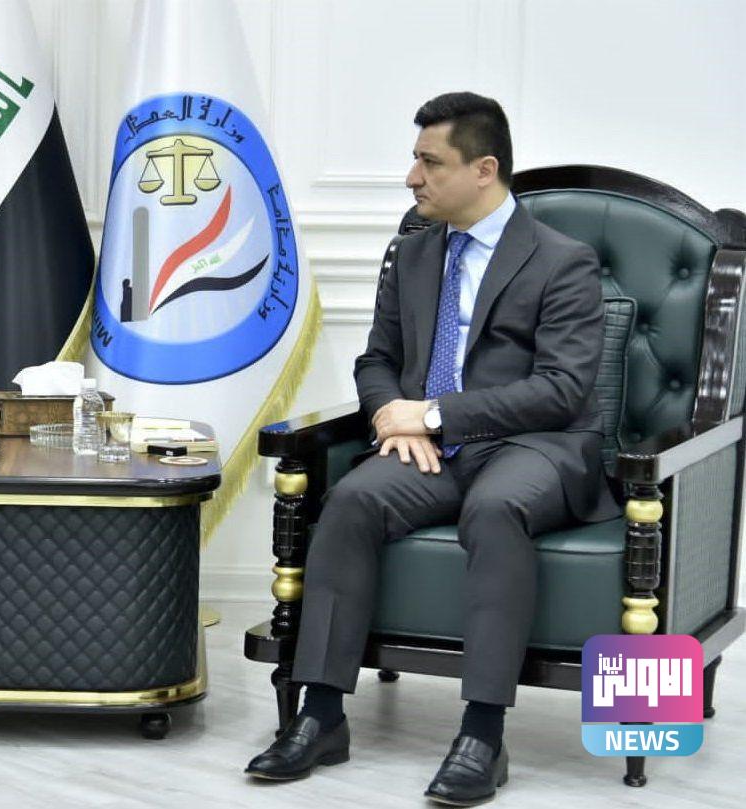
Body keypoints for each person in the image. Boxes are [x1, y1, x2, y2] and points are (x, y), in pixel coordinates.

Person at [245, 92, 618, 806]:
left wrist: (436, 414)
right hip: (431, 449)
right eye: (415, 160)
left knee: (496, 508)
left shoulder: (562, 260)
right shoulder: (413, 252)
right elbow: (377, 359)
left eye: (429, 162)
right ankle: (320, 715)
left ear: (484, 169)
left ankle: (482, 733)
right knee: (351, 500)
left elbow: (562, 389)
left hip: (535, 445)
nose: (411, 177)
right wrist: (393, 416)